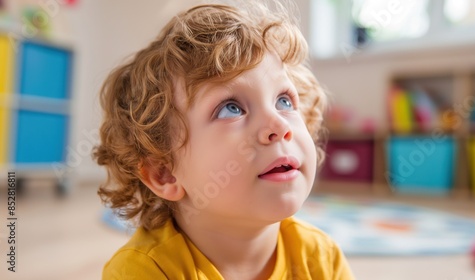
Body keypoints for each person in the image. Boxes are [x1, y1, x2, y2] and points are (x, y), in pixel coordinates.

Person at [94, 1, 354, 279]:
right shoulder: (143, 271)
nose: (279, 125)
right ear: (164, 172)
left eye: (283, 100)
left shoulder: (321, 260)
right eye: (231, 108)